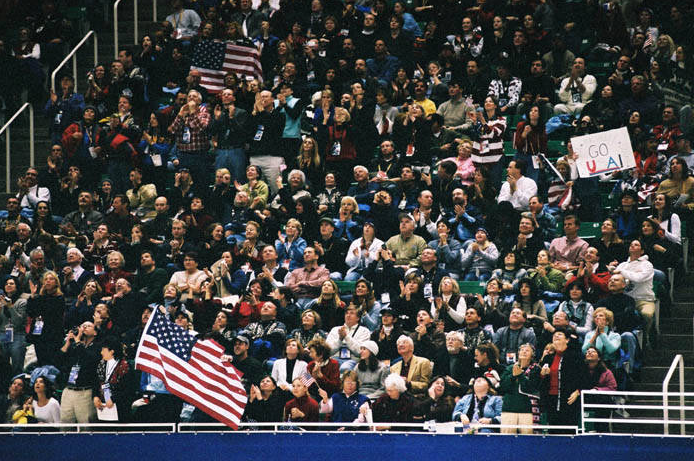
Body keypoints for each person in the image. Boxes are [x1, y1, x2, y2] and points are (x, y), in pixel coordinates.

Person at [540, 328, 584, 432]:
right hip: (551, 399)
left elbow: (584, 377)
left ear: (567, 340)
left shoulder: (575, 356)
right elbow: (541, 380)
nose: (556, 336)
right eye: (554, 335)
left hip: (569, 399)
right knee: (553, 431)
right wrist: (542, 374)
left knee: (568, 431)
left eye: (559, 334)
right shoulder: (548, 358)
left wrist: (578, 391)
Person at [58, 321, 100, 424]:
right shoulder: (74, 345)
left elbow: (89, 360)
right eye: (82, 326)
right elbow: (59, 360)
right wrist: (68, 342)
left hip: (84, 392)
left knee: (85, 425)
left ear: (95, 333)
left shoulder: (98, 347)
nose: (84, 327)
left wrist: (77, 341)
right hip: (68, 390)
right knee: (65, 425)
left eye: (88, 326)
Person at [499, 343, 542, 434]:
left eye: (527, 350)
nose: (524, 352)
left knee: (528, 441)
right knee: (507, 440)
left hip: (528, 410)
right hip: (509, 409)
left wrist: (520, 376)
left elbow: (532, 388)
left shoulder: (536, 369)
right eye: (522, 350)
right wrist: (513, 376)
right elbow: (502, 387)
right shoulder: (510, 368)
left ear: (532, 354)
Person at [94, 336, 131, 422]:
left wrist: (113, 399)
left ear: (112, 352)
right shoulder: (101, 365)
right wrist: (95, 396)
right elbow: (96, 382)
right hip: (103, 405)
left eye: (103, 350)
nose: (101, 352)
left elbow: (127, 388)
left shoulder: (124, 366)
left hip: (120, 407)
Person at [326, 306, 371, 372]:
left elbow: (360, 352)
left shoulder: (364, 331)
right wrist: (340, 340)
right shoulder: (335, 329)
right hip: (335, 358)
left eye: (352, 313)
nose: (348, 315)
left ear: (358, 318)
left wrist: (346, 337)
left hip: (352, 360)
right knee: (327, 367)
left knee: (345, 368)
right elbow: (328, 351)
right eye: (346, 313)